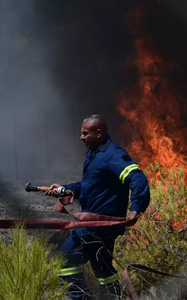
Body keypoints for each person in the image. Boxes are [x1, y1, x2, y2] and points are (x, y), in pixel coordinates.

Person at [45, 115, 150, 300]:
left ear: (98, 133)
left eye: (85, 133)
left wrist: (136, 207)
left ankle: (80, 297)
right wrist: (65, 190)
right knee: (103, 269)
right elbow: (89, 187)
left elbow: (137, 177)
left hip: (98, 226)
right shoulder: (96, 155)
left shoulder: (113, 155)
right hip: (97, 226)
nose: (81, 137)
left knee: (66, 258)